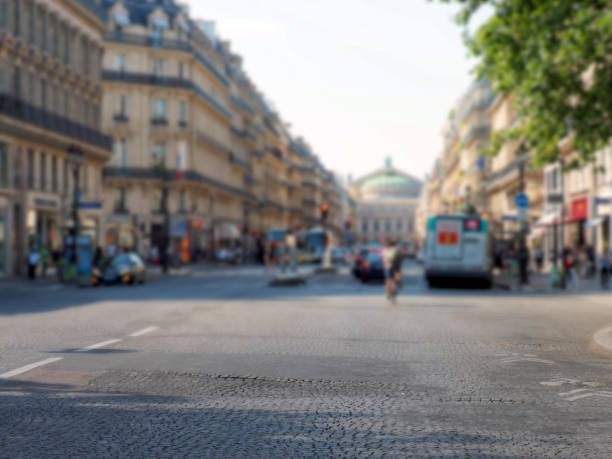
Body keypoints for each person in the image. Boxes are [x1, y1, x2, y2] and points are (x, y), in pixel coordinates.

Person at [382, 239, 400, 304]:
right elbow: (400, 257)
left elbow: (383, 258)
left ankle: (388, 292)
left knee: (388, 279)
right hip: (396, 268)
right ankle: (394, 292)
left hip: (388, 267)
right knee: (395, 280)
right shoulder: (396, 249)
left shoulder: (385, 250)